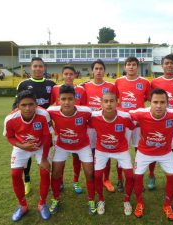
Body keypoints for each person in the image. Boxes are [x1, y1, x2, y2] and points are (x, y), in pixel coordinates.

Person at [129, 88, 173, 220]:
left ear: (167, 103)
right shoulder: (140, 113)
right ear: (149, 103)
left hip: (165, 152)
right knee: (137, 177)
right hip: (144, 152)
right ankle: (140, 203)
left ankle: (167, 204)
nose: (158, 105)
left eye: (162, 102)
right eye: (155, 102)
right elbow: (123, 114)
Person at [47, 85, 96, 215]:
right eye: (63, 99)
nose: (67, 102)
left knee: (90, 172)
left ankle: (91, 200)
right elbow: (41, 116)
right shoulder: (51, 111)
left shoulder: (86, 111)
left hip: (82, 146)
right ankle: (55, 198)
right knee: (56, 172)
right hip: (62, 146)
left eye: (70, 99)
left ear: (75, 99)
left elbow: (98, 119)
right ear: (58, 100)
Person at [3, 90, 52, 221]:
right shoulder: (10, 118)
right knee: (15, 174)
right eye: (24, 105)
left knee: (45, 171)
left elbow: (47, 137)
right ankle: (23, 205)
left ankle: (42, 203)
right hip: (21, 146)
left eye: (31, 104)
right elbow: (10, 137)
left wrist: (44, 159)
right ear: (18, 105)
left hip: (40, 145)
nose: (28, 108)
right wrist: (23, 146)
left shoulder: (43, 114)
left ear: (36, 104)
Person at [13, 57, 56, 196]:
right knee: (27, 154)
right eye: (35, 66)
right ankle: (27, 181)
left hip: (46, 125)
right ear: (31, 68)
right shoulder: (23, 84)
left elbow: (56, 104)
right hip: (27, 126)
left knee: (46, 155)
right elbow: (16, 104)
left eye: (40, 66)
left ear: (44, 68)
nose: (38, 69)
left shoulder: (52, 84)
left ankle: (47, 181)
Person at [89, 92, 135, 215]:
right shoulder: (93, 116)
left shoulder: (125, 116)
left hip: (121, 150)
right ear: (101, 104)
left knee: (130, 176)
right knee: (98, 176)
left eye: (112, 101)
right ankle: (101, 199)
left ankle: (127, 200)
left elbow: (132, 126)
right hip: (101, 151)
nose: (109, 104)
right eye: (106, 101)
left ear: (117, 102)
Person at [149, 54, 173, 190]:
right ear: (162, 65)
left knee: (172, 151)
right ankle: (151, 175)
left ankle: (171, 177)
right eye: (167, 63)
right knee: (153, 147)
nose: (169, 65)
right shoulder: (155, 82)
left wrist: (172, 108)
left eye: (172, 63)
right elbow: (152, 100)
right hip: (157, 121)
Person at [115, 56, 151, 192]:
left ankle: (138, 178)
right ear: (125, 67)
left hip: (139, 123)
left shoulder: (145, 82)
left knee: (139, 151)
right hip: (123, 122)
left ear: (137, 66)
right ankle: (120, 179)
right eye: (128, 64)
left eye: (134, 64)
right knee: (121, 150)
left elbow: (149, 100)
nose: (131, 67)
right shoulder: (118, 81)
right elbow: (114, 100)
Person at [50, 65, 86, 194]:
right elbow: (52, 106)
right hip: (61, 129)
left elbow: (84, 107)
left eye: (71, 74)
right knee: (61, 157)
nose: (69, 76)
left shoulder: (81, 89)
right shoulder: (55, 89)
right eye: (66, 74)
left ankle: (76, 181)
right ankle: (60, 181)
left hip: (77, 128)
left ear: (75, 75)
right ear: (62, 75)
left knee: (77, 157)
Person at [82, 59, 117, 193]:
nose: (98, 71)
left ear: (104, 70)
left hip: (106, 125)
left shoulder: (111, 86)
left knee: (106, 151)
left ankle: (106, 179)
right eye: (96, 68)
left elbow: (114, 104)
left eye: (101, 69)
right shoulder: (85, 86)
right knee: (91, 153)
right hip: (91, 125)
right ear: (92, 70)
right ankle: (94, 178)